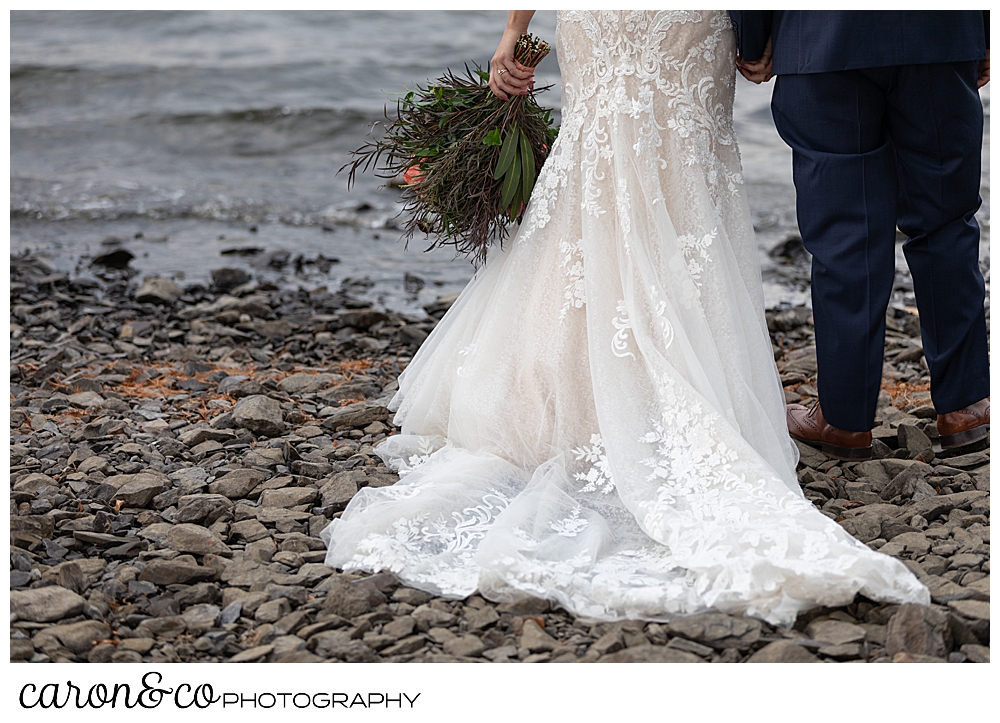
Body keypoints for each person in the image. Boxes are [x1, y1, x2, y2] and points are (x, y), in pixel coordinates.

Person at [322, 10, 929, 627]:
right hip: (685, 21)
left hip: (601, 17)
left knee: (596, 165)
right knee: (682, 175)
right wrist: (759, 35)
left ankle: (561, 400)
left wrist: (512, 32)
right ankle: (659, 384)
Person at [730, 10, 990, 462]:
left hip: (821, 35)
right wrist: (983, 29)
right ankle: (966, 406)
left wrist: (754, 38)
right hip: (941, 30)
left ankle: (845, 420)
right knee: (946, 222)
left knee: (844, 237)